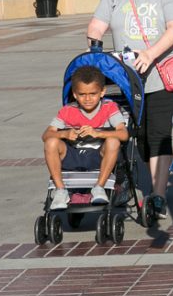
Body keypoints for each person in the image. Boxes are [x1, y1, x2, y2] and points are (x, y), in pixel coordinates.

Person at [86, 0, 173, 221]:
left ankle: (158, 196)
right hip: (126, 78)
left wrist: (150, 54)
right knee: (137, 137)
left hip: (161, 75)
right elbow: (96, 25)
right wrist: (93, 49)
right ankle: (129, 179)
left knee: (158, 134)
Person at [43, 65, 129, 209]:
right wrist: (64, 133)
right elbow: (46, 134)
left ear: (102, 92)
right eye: (82, 94)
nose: (88, 99)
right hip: (74, 155)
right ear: (75, 94)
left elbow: (123, 134)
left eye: (93, 94)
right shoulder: (68, 111)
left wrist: (98, 133)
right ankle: (60, 190)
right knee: (51, 142)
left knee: (113, 141)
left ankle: (99, 187)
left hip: (100, 156)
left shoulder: (109, 108)